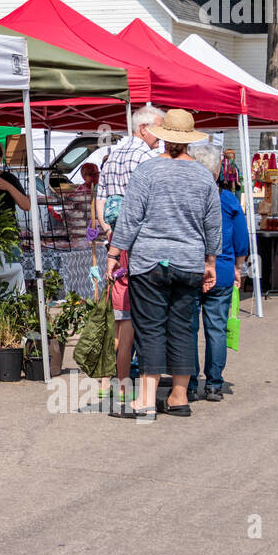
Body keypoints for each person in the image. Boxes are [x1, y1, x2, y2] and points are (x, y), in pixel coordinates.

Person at [106, 110, 220, 421]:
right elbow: (213, 224)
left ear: (165, 136)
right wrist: (210, 261)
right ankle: (179, 397)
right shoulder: (203, 176)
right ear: (188, 141)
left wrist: (114, 254)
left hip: (149, 262)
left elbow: (130, 218)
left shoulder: (147, 171)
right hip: (189, 262)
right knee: (183, 329)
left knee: (151, 329)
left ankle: (145, 400)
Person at [82, 104, 164, 413]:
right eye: (159, 128)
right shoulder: (145, 156)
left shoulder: (114, 152)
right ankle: (122, 383)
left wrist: (107, 229)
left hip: (116, 240)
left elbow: (100, 195)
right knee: (130, 317)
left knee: (118, 315)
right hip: (136, 243)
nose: (161, 136)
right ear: (144, 128)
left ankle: (110, 382)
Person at [187, 143, 249, 401]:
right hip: (222, 270)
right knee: (216, 329)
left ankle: (189, 382)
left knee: (188, 329)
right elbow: (242, 238)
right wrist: (238, 267)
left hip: (190, 268)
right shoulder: (228, 199)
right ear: (216, 172)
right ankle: (214, 383)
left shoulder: (187, 198)